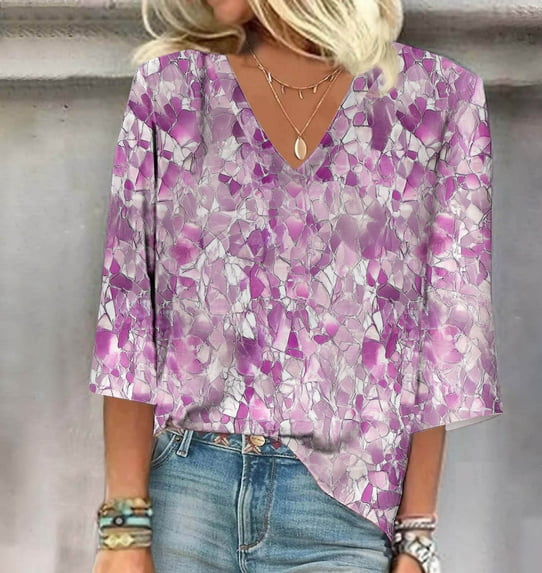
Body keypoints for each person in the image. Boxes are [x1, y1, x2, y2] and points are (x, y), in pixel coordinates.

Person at [89, 1, 504, 572]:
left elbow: (442, 335)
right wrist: (122, 531)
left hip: (344, 511)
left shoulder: (438, 99)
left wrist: (417, 539)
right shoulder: (172, 90)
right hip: (185, 495)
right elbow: (127, 313)